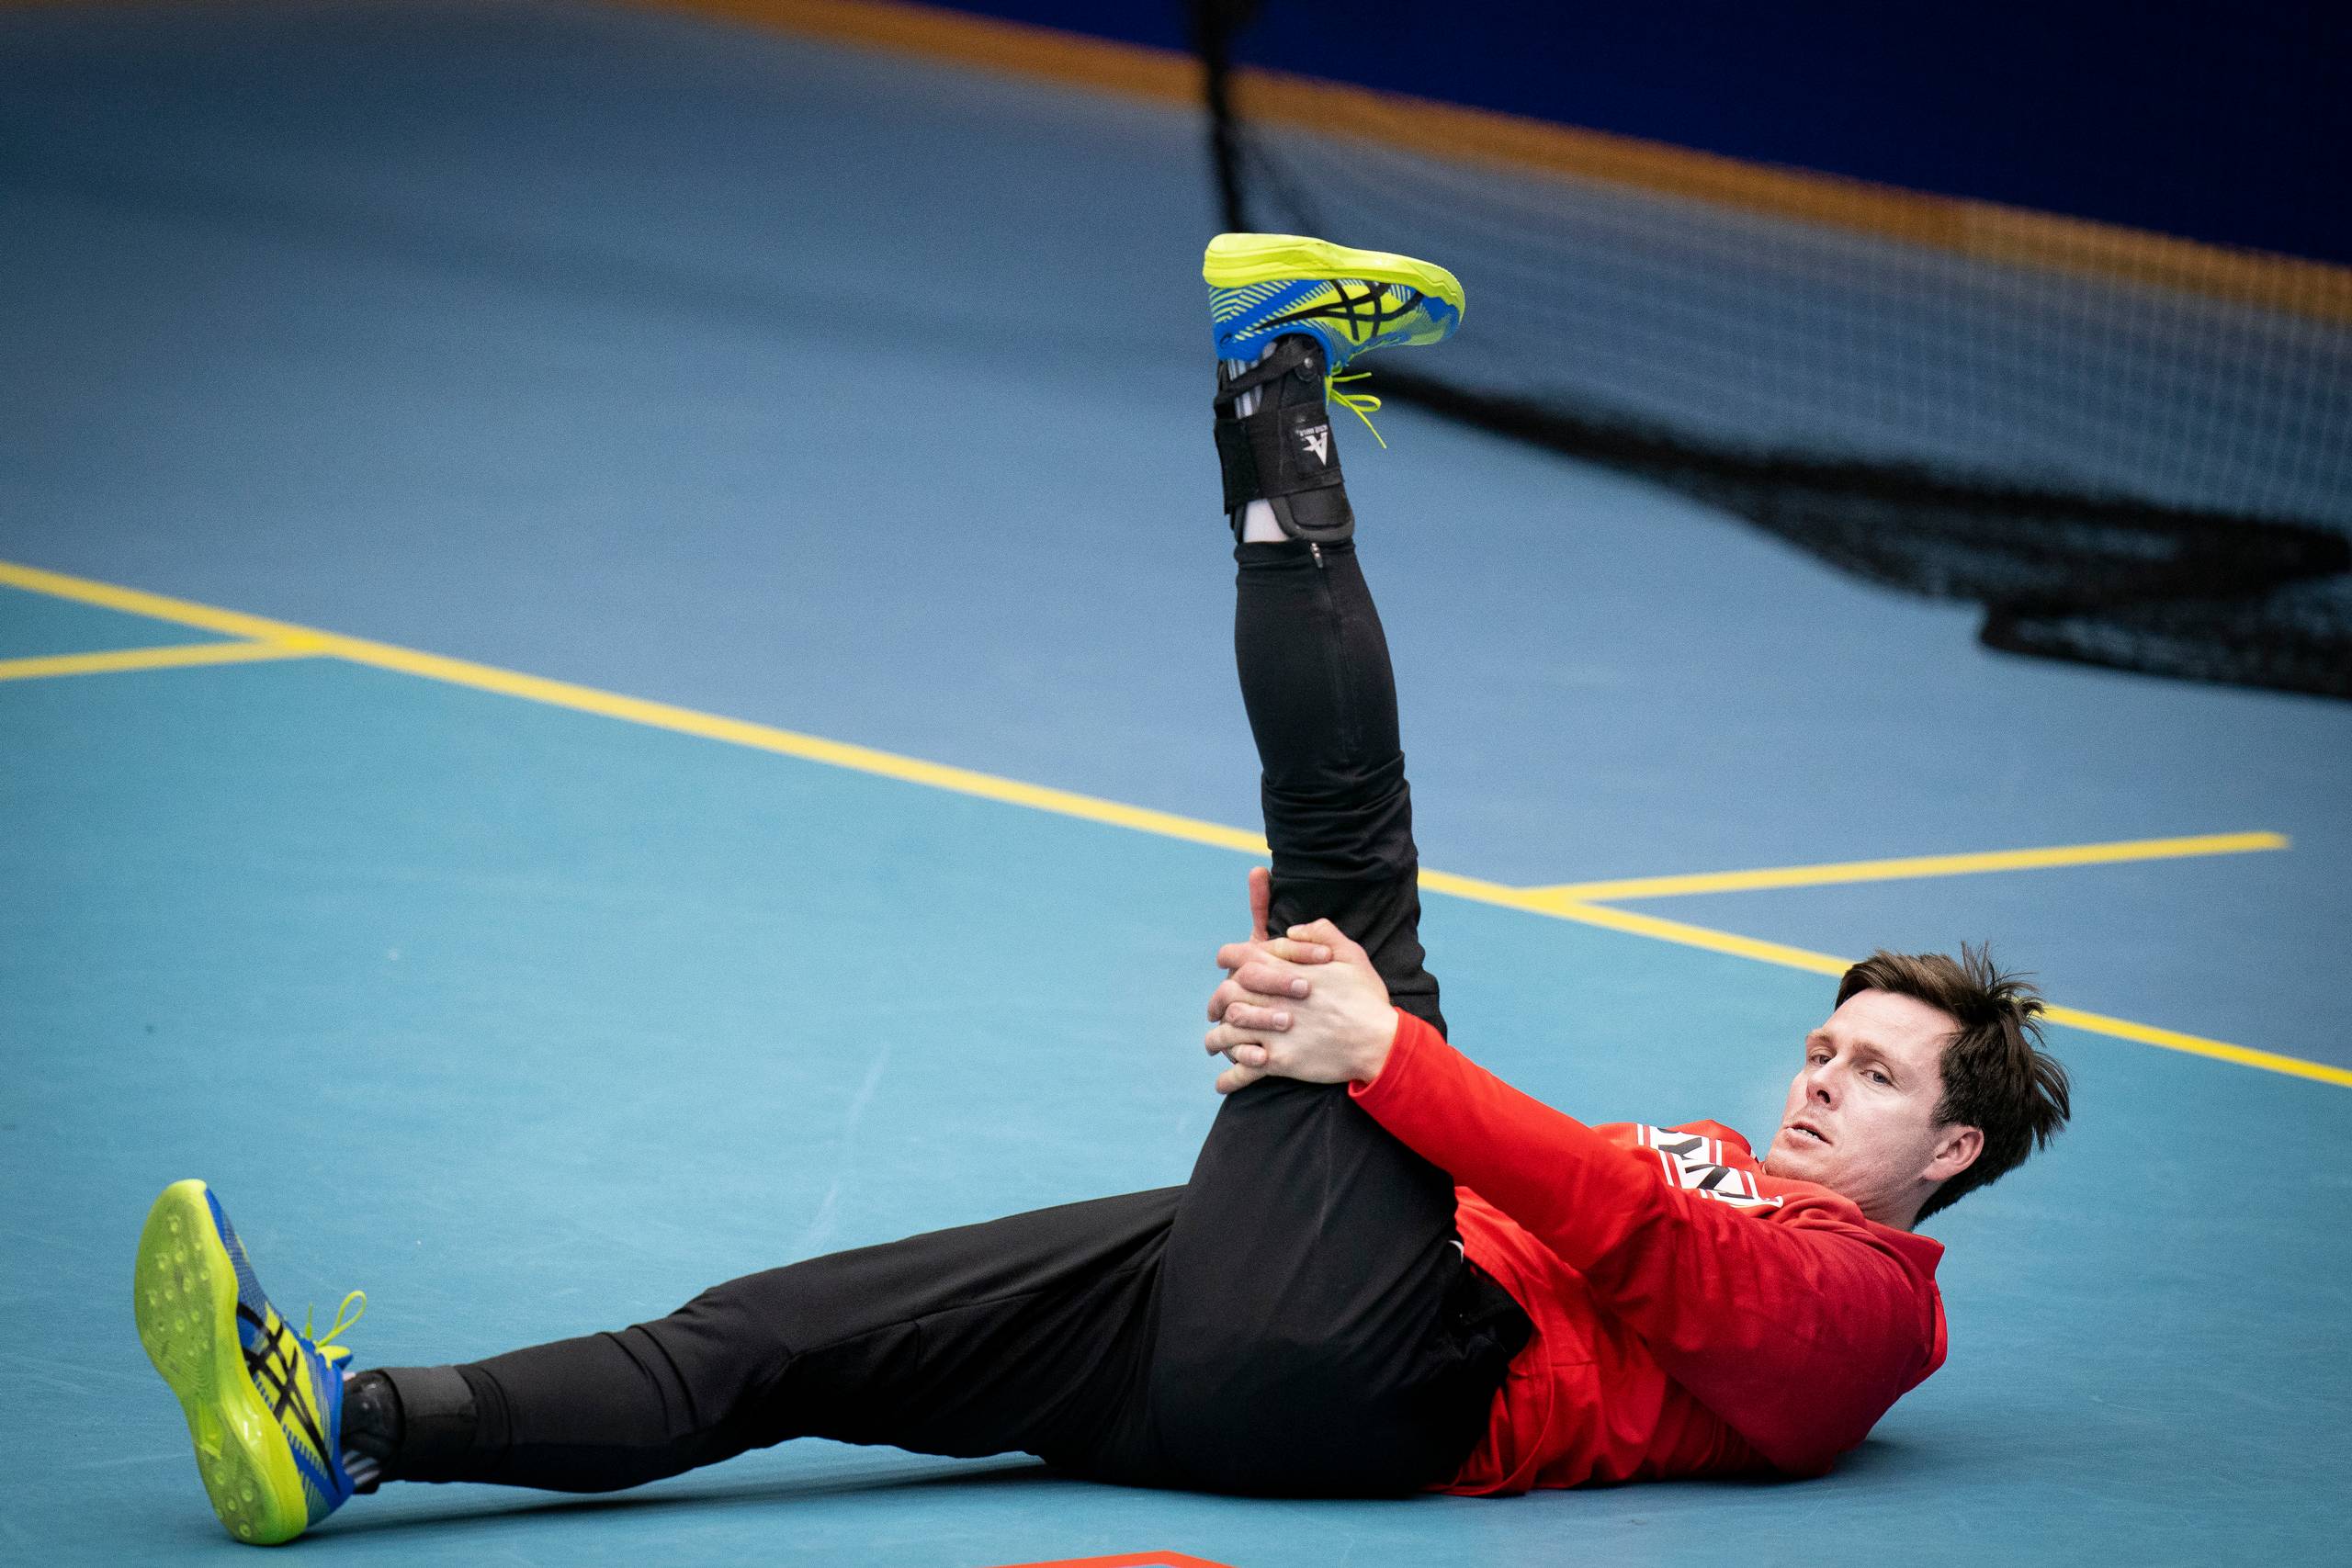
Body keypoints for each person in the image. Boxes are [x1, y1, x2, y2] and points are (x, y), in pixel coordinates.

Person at [131, 235, 2073, 1547]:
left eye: (1876, 1074)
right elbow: (1506, 1189)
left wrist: (1372, 1044)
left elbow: (1617, 1225)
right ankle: (350, 1429)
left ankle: (1272, 382)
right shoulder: (1725, 1156)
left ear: (1955, 1149)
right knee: (779, 1336)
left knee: (1357, 866)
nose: (1821, 1079)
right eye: (1826, 1043)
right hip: (1248, 1320)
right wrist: (1308, 1023)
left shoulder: (1865, 1318)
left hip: (1382, 1394)